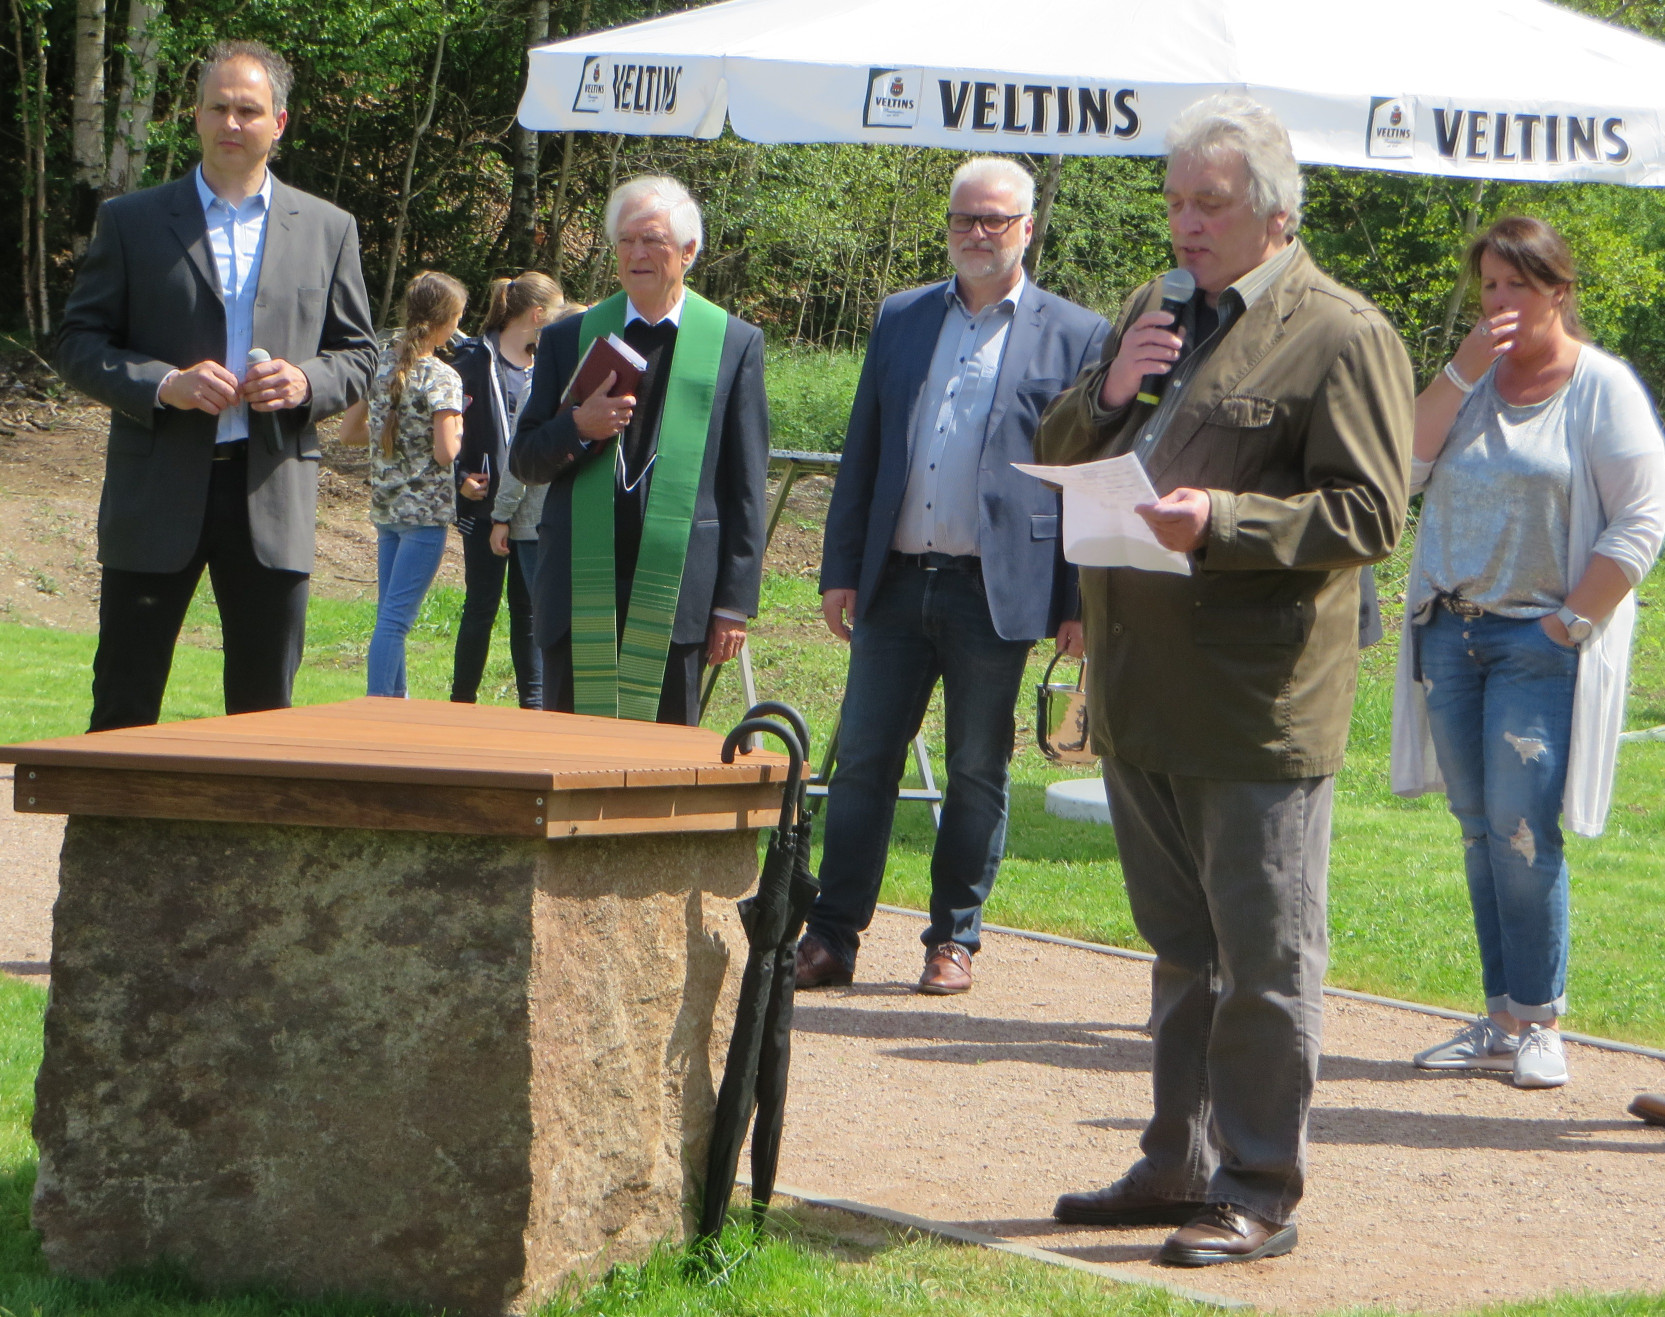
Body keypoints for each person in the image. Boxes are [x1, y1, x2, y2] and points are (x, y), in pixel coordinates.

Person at [1037, 95, 1413, 1265]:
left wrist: (1225, 521)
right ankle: (1177, 1160)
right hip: (1144, 690)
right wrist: (1109, 394)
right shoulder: (1153, 308)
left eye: (1210, 203)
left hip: (1256, 706)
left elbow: (1370, 513)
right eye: (1175, 202)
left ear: (1276, 213)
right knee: (1179, 950)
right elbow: (1058, 452)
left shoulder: (1342, 333)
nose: (1185, 224)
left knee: (1265, 960)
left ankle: (1256, 1184)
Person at [795, 157, 1109, 997]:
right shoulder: (901, 315)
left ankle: (953, 938)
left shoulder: (1077, 333)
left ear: (1027, 229)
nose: (975, 233)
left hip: (994, 589)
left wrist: (1077, 599)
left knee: (976, 768)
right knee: (862, 761)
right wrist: (839, 567)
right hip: (893, 581)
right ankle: (830, 935)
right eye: (963, 218)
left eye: (993, 220)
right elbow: (863, 446)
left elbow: (1086, 473)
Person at [1391, 217, 1665, 1089]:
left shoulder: (1601, 388)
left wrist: (1568, 624)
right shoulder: (1470, 379)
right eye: (1488, 286)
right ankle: (1500, 1018)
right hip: (1450, 629)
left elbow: (1641, 520)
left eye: (1516, 285)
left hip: (1535, 641)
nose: (1499, 302)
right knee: (1478, 831)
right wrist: (1458, 368)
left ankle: (1540, 1020)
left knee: (1521, 834)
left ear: (1558, 290)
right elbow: (1399, 469)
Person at [55, 39, 375, 731]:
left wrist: (305, 380)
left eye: (248, 110)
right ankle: (116, 809)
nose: (232, 123)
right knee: (123, 704)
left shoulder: (329, 229)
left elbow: (359, 355)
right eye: (218, 107)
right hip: (155, 491)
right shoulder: (132, 220)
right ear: (196, 116)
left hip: (271, 494)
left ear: (278, 123)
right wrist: (164, 383)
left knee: (265, 717)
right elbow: (78, 342)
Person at [510, 176, 769, 725]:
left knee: (662, 761)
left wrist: (733, 601)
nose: (636, 254)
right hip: (580, 591)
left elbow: (746, 483)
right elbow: (525, 459)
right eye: (625, 241)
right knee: (571, 754)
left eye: (652, 240)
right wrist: (578, 428)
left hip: (677, 594)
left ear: (688, 251)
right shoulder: (569, 338)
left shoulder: (733, 343)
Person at [341, 271, 467, 698]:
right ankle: (379, 708)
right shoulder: (442, 376)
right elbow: (446, 452)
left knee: (388, 616)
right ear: (445, 320)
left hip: (386, 510)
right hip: (425, 515)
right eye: (458, 318)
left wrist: (394, 435)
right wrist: (461, 428)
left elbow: (349, 432)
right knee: (395, 622)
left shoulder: (377, 364)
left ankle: (397, 704)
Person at [448, 271, 567, 709]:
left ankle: (532, 707)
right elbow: (442, 429)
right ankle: (462, 702)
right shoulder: (472, 361)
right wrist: (460, 477)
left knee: (530, 612)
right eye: (557, 312)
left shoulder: (548, 367)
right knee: (480, 607)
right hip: (485, 509)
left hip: (531, 514)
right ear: (537, 315)